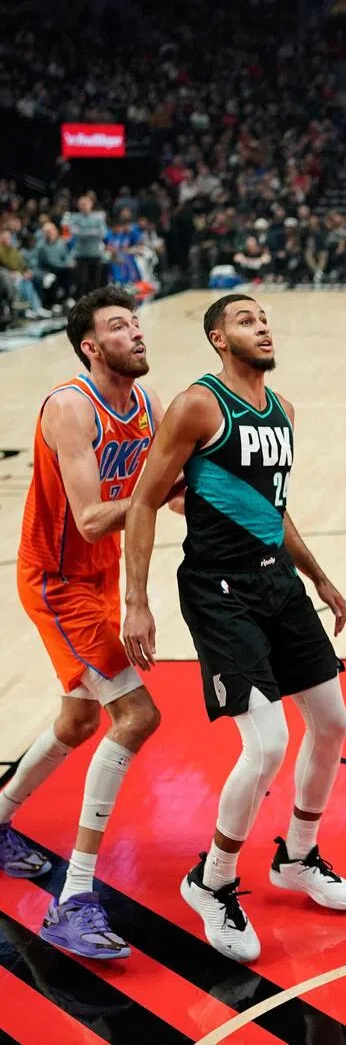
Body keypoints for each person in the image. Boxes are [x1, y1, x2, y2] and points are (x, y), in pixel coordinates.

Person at [122, 294, 346, 964]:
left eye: (265, 318)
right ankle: (213, 880)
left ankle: (300, 856)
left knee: (333, 721)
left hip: (277, 583)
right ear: (218, 339)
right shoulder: (199, 405)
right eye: (246, 320)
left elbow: (272, 509)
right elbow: (145, 499)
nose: (262, 326)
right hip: (219, 589)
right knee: (264, 745)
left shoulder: (282, 412)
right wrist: (135, 599)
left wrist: (317, 575)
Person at [4, 287, 172, 960]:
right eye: (118, 327)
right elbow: (94, 516)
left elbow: (150, 511)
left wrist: (136, 596)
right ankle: (74, 899)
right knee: (137, 716)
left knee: (78, 722)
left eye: (137, 323)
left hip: (100, 582)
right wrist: (162, 490)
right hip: (57, 581)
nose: (136, 333)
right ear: (90, 346)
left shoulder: (149, 406)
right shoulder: (71, 407)